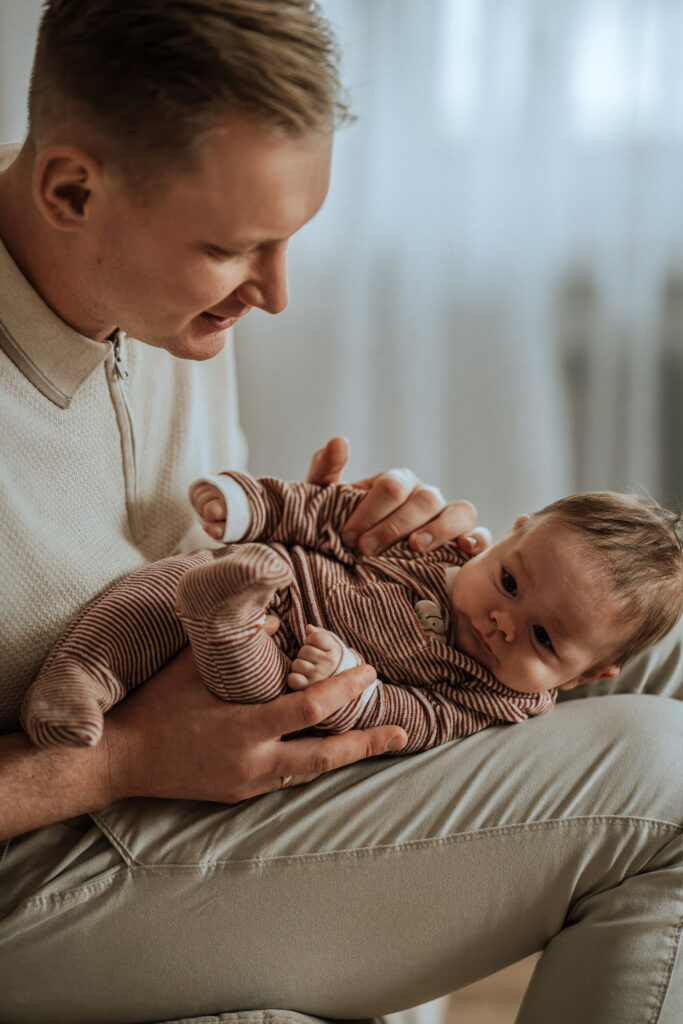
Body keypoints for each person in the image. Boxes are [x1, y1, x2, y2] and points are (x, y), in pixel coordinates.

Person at [0, 3, 681, 1024]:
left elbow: (197, 543)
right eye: (236, 248)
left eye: (289, 240)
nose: (273, 294)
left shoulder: (139, 286)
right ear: (72, 189)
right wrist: (128, 758)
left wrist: (360, 551)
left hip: (212, 725)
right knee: (663, 778)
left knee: (649, 641)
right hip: (55, 857)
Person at [22, 476, 683, 754]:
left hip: (285, 667)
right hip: (264, 570)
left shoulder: (491, 697)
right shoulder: (437, 547)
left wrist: (349, 683)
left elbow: (417, 721)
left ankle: (222, 620)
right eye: (508, 579)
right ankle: (82, 674)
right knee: (162, 586)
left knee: (263, 693)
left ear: (584, 676)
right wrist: (252, 506)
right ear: (510, 535)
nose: (502, 621)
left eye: (542, 638)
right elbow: (334, 514)